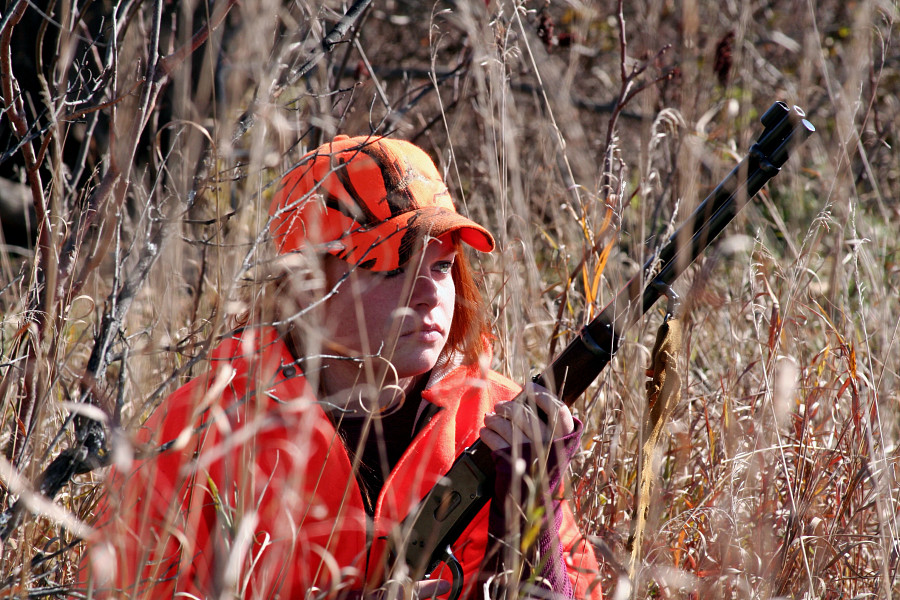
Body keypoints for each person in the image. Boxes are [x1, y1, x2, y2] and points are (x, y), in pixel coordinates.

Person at [84, 135, 602, 598]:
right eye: (391, 267)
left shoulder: (498, 417)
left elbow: (570, 590)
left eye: (442, 266)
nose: (429, 296)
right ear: (304, 285)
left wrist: (537, 504)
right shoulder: (197, 430)